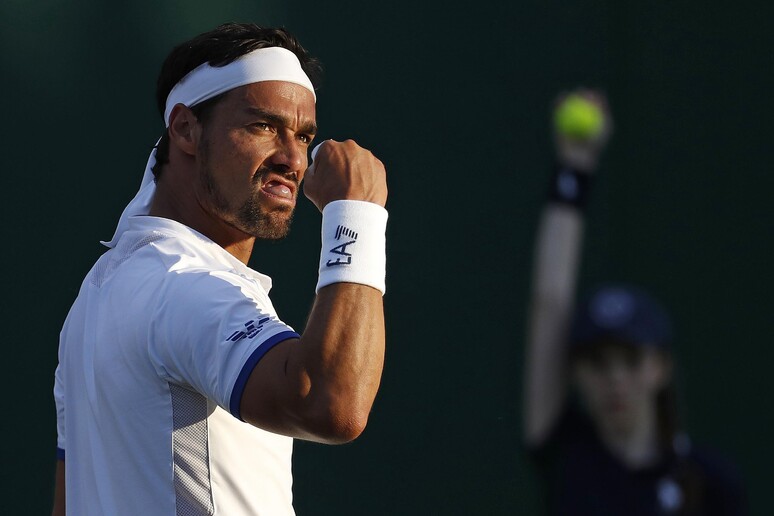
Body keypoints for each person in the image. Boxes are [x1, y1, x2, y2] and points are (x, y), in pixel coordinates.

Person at [52, 22, 388, 515]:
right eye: (263, 125)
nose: (293, 158)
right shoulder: (187, 285)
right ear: (186, 129)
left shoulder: (97, 296)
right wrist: (357, 216)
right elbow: (330, 404)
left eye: (303, 135)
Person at [523, 90, 746, 515]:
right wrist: (573, 172)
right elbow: (550, 301)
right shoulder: (565, 455)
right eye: (598, 363)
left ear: (660, 368)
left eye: (630, 360)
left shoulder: (711, 483)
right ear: (575, 374)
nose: (615, 380)